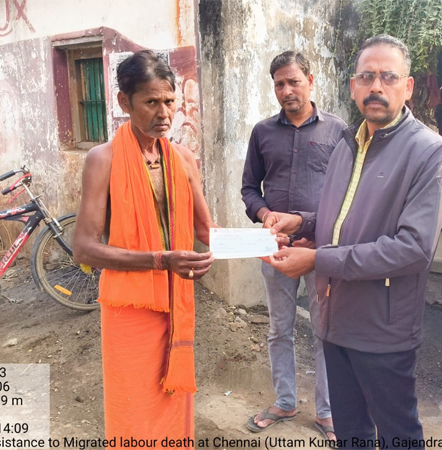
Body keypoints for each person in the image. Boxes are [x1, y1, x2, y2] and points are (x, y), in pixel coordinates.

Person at [264, 34, 442, 448]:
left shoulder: (428, 152)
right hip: (335, 319)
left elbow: (413, 249)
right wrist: (301, 222)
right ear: (353, 86)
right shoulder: (348, 143)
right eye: (366, 77)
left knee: (398, 434)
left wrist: (317, 260)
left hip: (382, 328)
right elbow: (341, 218)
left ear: (408, 87)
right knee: (351, 433)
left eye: (389, 77)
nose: (376, 87)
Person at [72, 50, 215, 446]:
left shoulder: (183, 158)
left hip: (176, 302)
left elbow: (206, 230)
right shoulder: (103, 159)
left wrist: (268, 240)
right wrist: (161, 260)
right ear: (125, 102)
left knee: (172, 402)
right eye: (151, 102)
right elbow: (83, 249)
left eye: (169, 101)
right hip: (130, 308)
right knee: (133, 405)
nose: (164, 113)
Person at [241, 51, 346, 438]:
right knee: (279, 329)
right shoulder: (262, 132)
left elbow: (347, 193)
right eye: (279, 84)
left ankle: (327, 411)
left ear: (310, 81)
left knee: (325, 330)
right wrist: (264, 213)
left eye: (294, 82)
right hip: (276, 249)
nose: (287, 90)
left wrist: (316, 228)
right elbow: (249, 187)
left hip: (320, 251)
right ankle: (285, 401)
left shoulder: (338, 131)